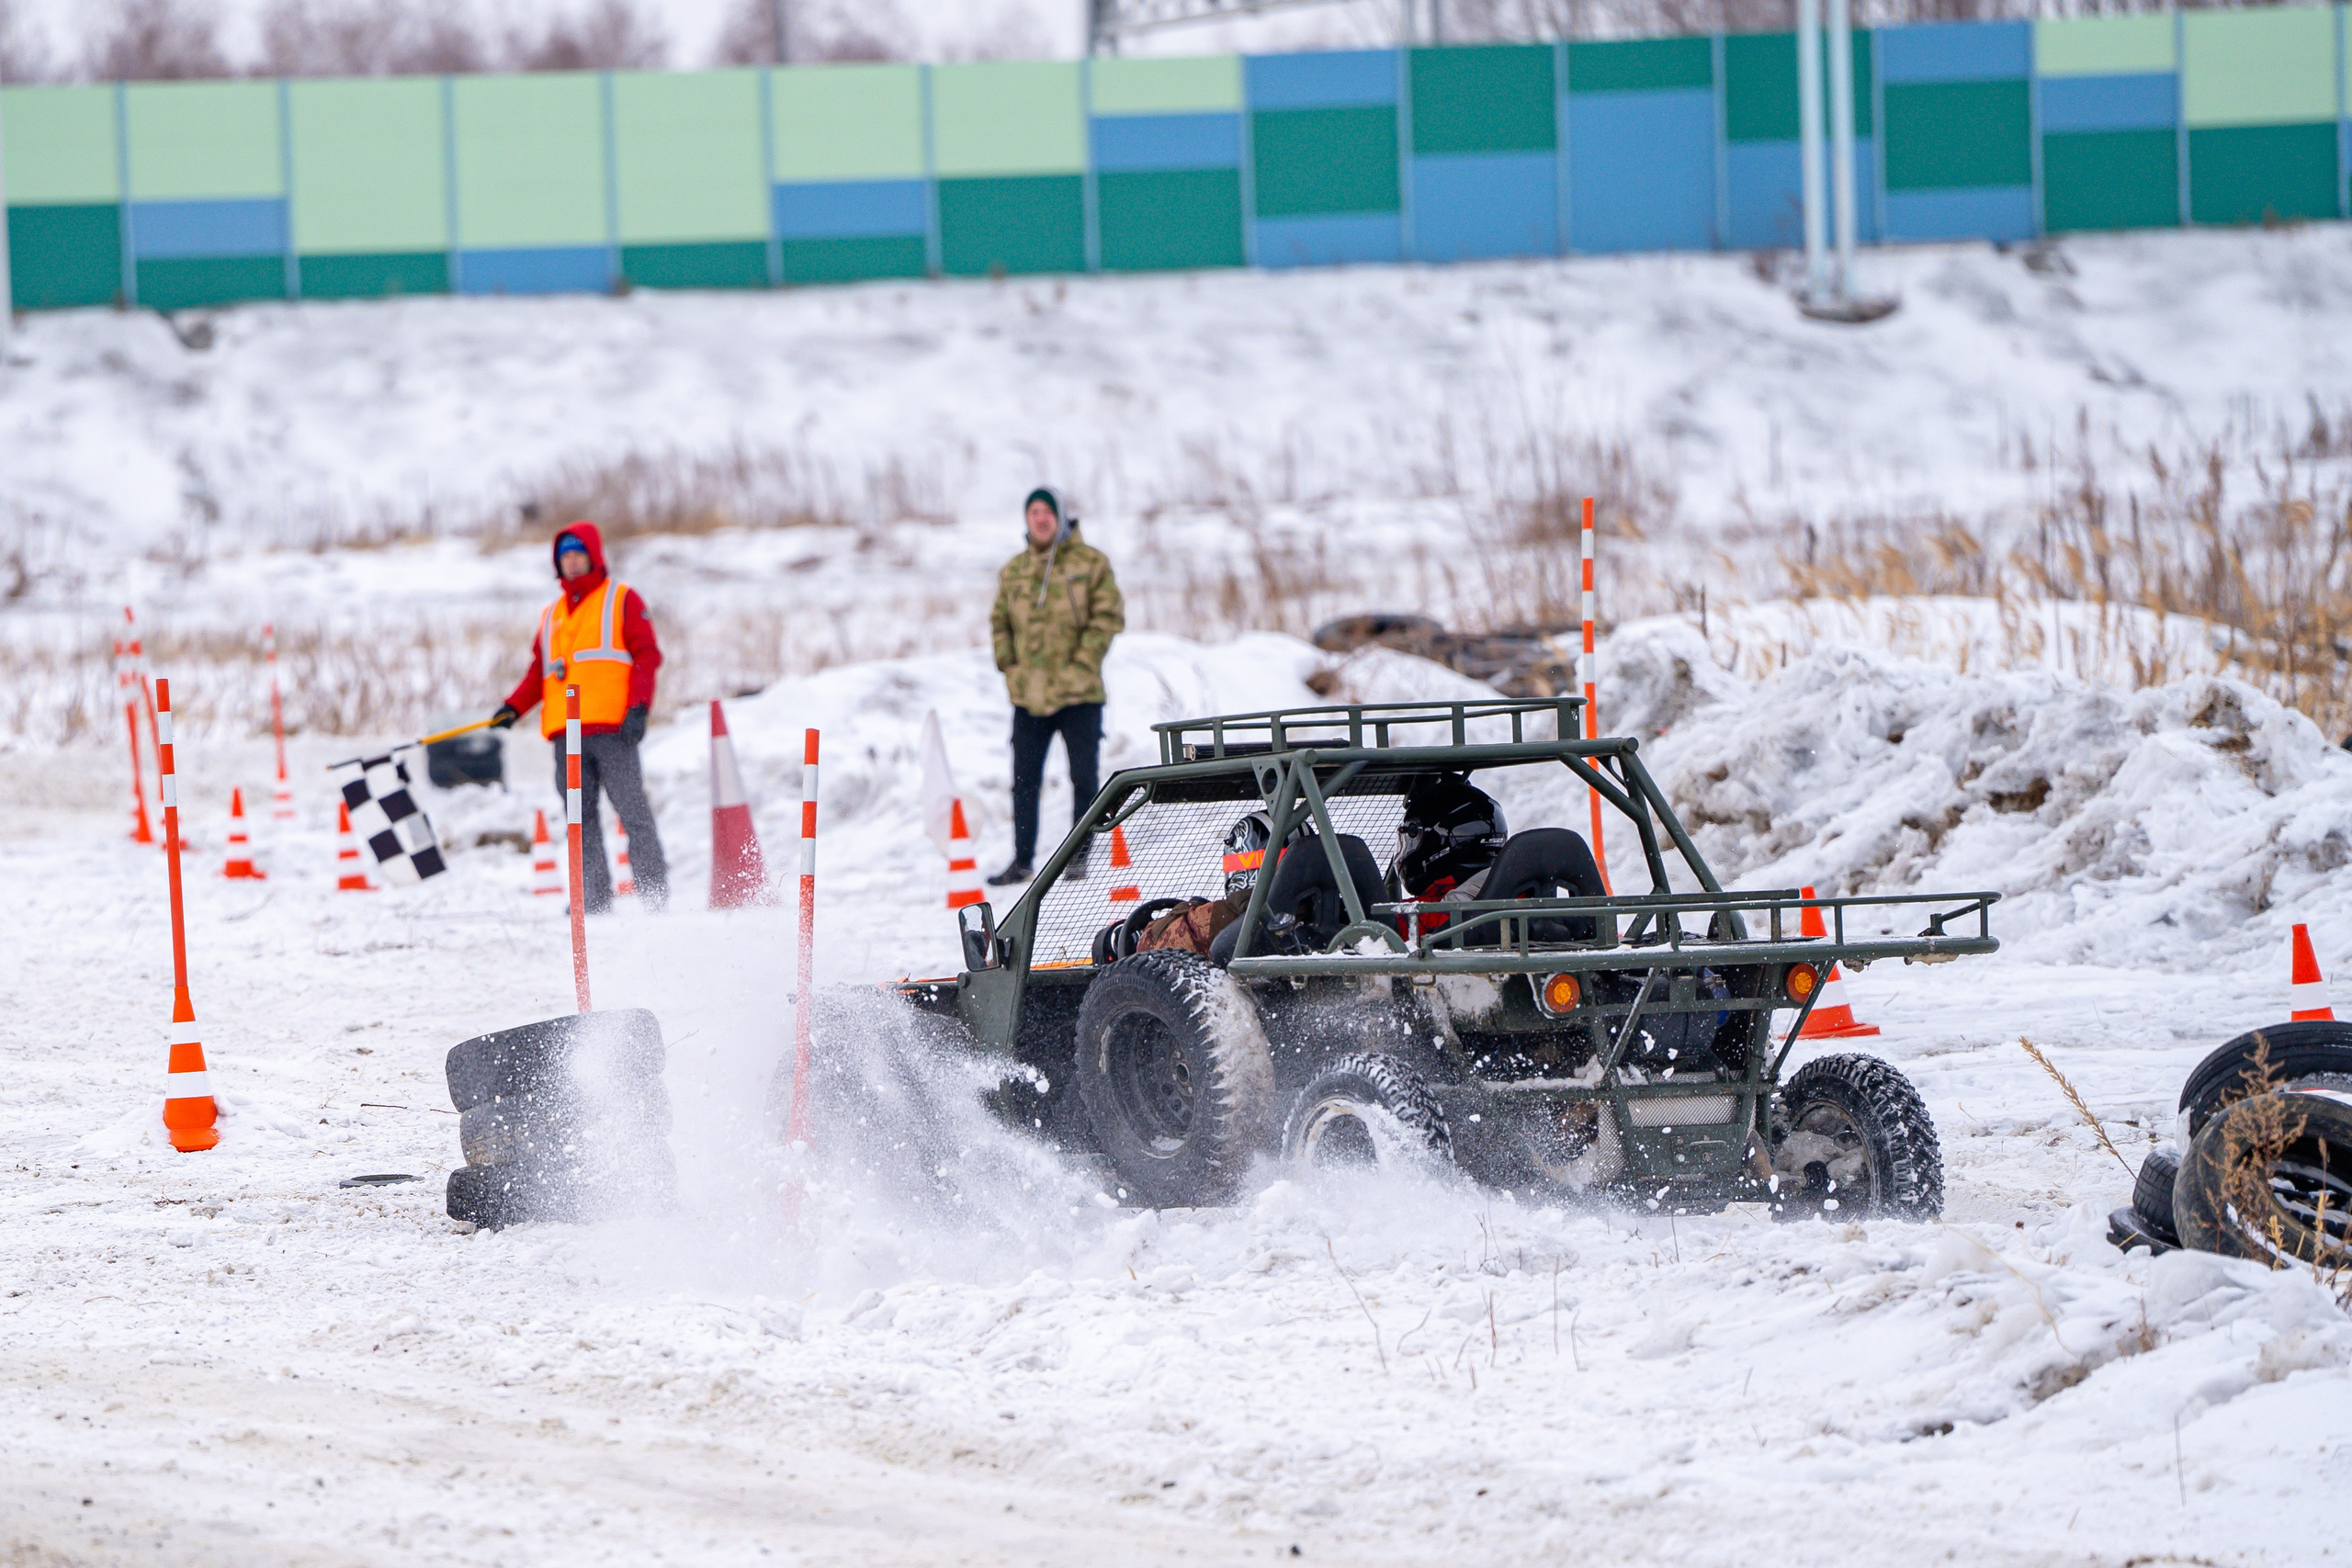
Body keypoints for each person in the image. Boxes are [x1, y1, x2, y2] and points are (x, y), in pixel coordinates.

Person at [488, 522, 669, 912]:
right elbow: (540, 671)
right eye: (564, 556)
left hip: (614, 729)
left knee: (632, 812)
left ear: (594, 556)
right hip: (565, 736)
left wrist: (639, 707)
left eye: (577, 554)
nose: (570, 562)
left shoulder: (621, 598)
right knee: (579, 822)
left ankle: (655, 897)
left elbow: (647, 656)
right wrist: (513, 707)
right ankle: (594, 901)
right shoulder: (552, 613)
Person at [988, 486, 1124, 885]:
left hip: (1079, 694)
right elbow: (999, 621)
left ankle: (1078, 855)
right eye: (1034, 512)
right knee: (1024, 781)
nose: (1041, 518)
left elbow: (1107, 617)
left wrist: (1083, 662)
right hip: (1028, 696)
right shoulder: (1014, 570)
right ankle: (1023, 859)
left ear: (1061, 516)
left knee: (1084, 778)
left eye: (1048, 511)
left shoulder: (1090, 563)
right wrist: (1008, 662)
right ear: (1027, 519)